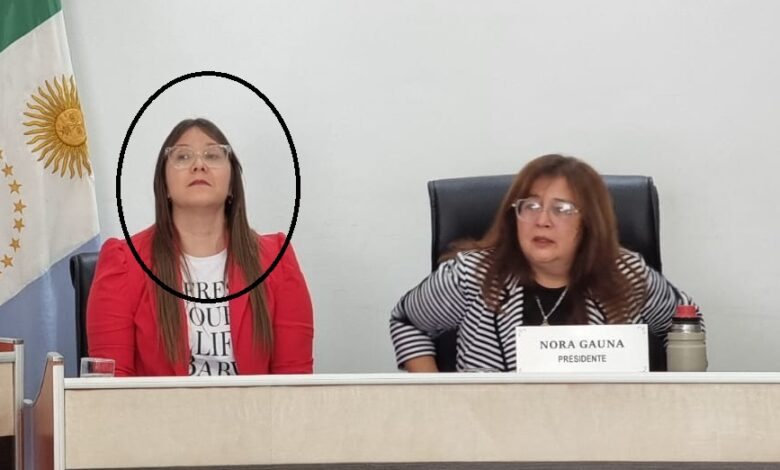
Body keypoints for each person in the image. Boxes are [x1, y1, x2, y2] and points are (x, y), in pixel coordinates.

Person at [390, 154, 699, 372]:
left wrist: (671, 404)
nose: (542, 221)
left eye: (561, 209)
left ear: (590, 221)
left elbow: (685, 324)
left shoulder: (628, 276)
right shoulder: (473, 275)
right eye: (531, 206)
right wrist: (438, 398)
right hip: (495, 433)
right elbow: (407, 321)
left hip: (605, 429)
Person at [87, 118, 313, 376]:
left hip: (256, 405)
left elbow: (295, 385)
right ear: (164, 185)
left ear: (232, 184)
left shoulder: (277, 261)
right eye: (183, 157)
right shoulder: (124, 263)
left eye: (212, 155)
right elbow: (109, 388)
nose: (199, 165)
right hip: (158, 406)